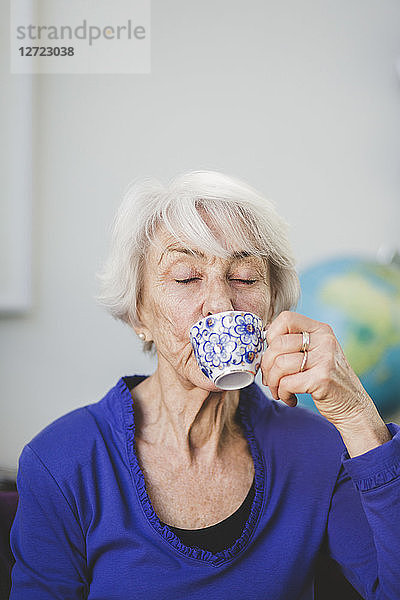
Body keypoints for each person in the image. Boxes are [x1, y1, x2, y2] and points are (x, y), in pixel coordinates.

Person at [10, 171, 400, 599]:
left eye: (246, 278)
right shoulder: (62, 461)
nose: (220, 303)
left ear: (271, 306)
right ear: (139, 313)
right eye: (185, 277)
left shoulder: (317, 449)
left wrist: (359, 418)